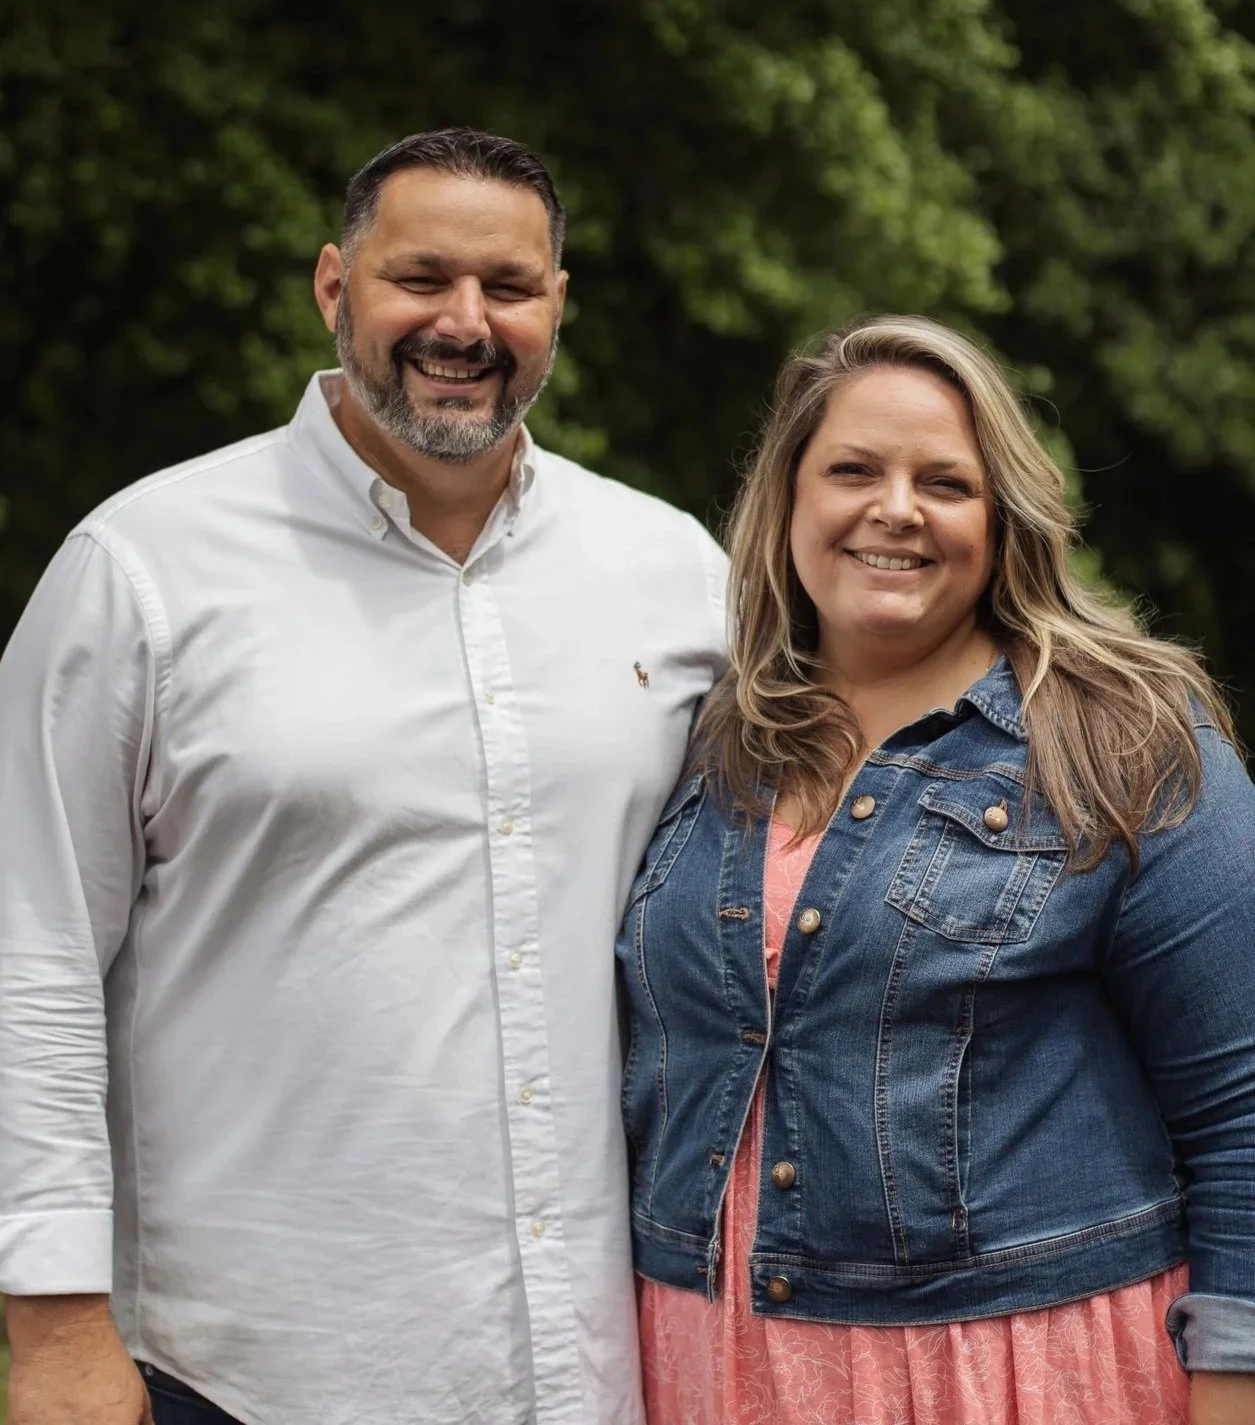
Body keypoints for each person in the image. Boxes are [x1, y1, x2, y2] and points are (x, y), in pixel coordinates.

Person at [0, 127, 727, 1425]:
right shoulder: (144, 570)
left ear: (556, 308)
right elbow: (28, 954)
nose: (463, 321)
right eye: (420, 278)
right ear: (334, 287)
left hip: (592, 1371)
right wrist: (52, 1329)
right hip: (247, 1374)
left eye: (507, 287)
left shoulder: (671, 573)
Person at [617, 315, 1255, 1425]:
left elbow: (1242, 1109)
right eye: (852, 470)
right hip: (712, 1361)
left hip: (1017, 1371)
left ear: (1003, 516)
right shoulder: (704, 737)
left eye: (945, 482)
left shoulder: (1123, 738)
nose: (894, 508)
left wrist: (1232, 1388)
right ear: (789, 501)